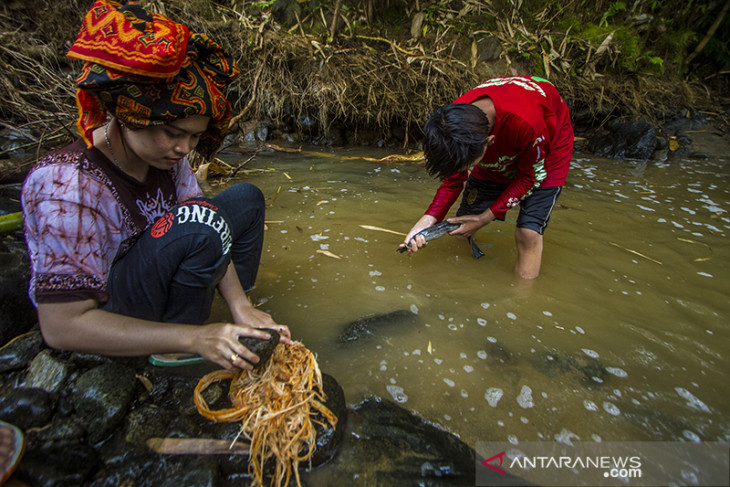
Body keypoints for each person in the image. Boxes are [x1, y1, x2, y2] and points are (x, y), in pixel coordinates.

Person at [21, 0, 291, 371]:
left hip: (158, 260)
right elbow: (61, 327)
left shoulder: (167, 158)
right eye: (173, 133)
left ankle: (230, 317)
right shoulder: (67, 186)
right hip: (108, 307)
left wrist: (240, 304)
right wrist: (192, 337)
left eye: (195, 138)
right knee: (198, 225)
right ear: (133, 116)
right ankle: (177, 347)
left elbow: (206, 219)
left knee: (246, 199)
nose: (184, 149)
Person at [400, 76, 574, 279]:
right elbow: (453, 180)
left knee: (528, 233)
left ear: (490, 142)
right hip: (505, 133)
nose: (468, 171)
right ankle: (461, 276)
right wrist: (422, 226)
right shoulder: (452, 125)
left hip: (546, 146)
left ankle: (521, 299)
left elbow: (530, 177)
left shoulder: (527, 123)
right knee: (462, 225)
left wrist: (484, 218)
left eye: (471, 166)